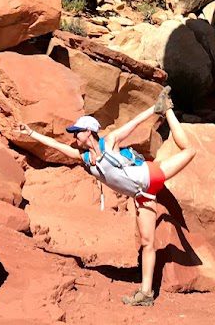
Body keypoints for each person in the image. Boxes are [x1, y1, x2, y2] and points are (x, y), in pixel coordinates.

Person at [19, 87, 195, 307]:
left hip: (151, 175)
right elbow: (58, 146)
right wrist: (32, 134)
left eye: (77, 132)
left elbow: (134, 125)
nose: (74, 136)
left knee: (189, 150)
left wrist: (156, 109)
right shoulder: (83, 158)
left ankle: (168, 110)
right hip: (142, 196)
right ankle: (146, 294)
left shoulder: (109, 142)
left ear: (89, 132)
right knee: (148, 243)